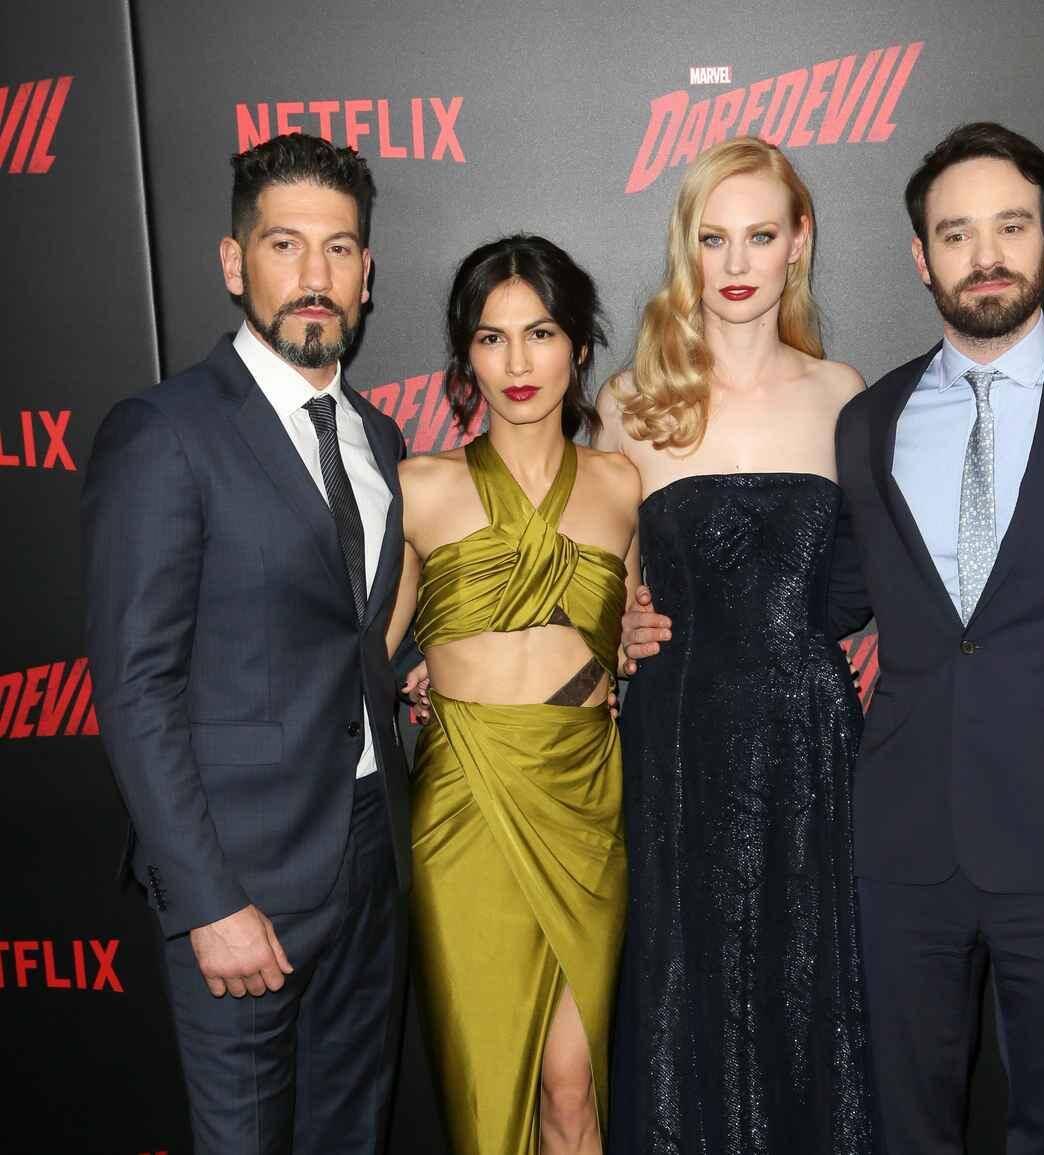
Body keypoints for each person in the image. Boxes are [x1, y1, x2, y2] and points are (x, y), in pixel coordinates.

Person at [627, 121, 1044, 1154]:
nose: (983, 254)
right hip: (894, 843)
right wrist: (648, 620)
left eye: (1009, 226)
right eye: (955, 234)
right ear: (920, 256)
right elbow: (824, 595)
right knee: (901, 1127)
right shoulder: (872, 416)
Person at [81, 134, 411, 1153]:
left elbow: (348, 635)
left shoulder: (378, 438)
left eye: (339, 249)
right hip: (241, 882)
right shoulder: (164, 432)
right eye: (284, 244)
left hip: (372, 859)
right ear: (235, 264)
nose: (315, 276)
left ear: (366, 273)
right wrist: (207, 903)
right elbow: (135, 687)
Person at [596, 137, 875, 1152]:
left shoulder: (842, 393)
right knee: (688, 989)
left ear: (798, 241)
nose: (737, 262)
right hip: (681, 744)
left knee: (812, 988)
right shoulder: (629, 403)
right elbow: (597, 585)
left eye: (759, 235)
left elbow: (879, 573)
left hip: (810, 739)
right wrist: (617, 626)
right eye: (714, 239)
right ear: (688, 249)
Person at [385, 235, 639, 1155]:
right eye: (492, 339)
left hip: (587, 800)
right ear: (466, 356)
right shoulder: (420, 486)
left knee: (575, 1088)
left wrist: (639, 645)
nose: (518, 363)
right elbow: (369, 653)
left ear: (580, 344)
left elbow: (633, 639)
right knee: (490, 1094)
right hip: (466, 807)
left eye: (541, 333)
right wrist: (412, 672)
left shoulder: (622, 485)